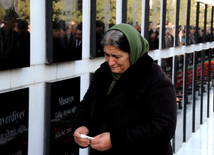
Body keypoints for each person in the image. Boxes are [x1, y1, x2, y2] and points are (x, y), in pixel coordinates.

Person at [72, 23, 177, 155]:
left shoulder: (155, 79)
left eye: (117, 56)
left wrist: (114, 139)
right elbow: (86, 106)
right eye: (107, 55)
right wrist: (81, 125)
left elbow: (163, 128)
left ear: (132, 52)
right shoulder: (103, 73)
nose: (110, 62)